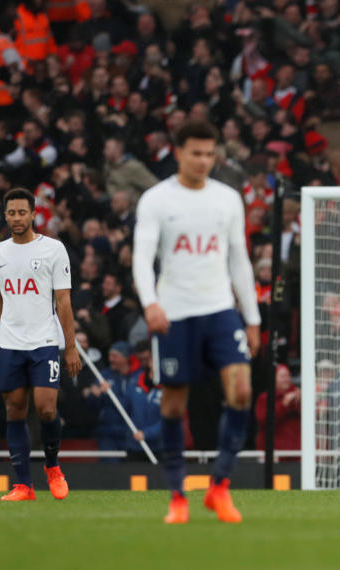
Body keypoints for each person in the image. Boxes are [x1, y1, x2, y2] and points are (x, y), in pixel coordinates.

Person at [132, 119, 261, 524]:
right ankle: (176, 496)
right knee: (174, 404)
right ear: (179, 153)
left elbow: (239, 258)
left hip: (220, 309)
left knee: (241, 391)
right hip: (175, 314)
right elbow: (141, 256)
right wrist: (150, 302)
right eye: (196, 153)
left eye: (210, 154)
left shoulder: (227, 199)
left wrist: (252, 317)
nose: (204, 161)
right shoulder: (156, 199)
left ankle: (219, 487)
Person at [0, 187, 81, 501]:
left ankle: (52, 466)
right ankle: (23, 485)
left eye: (22, 212)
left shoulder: (53, 250)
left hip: (44, 341)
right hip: (10, 344)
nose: (17, 218)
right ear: (6, 215)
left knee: (47, 409)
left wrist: (71, 346)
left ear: (33, 214)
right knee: (14, 409)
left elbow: (63, 301)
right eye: (11, 212)